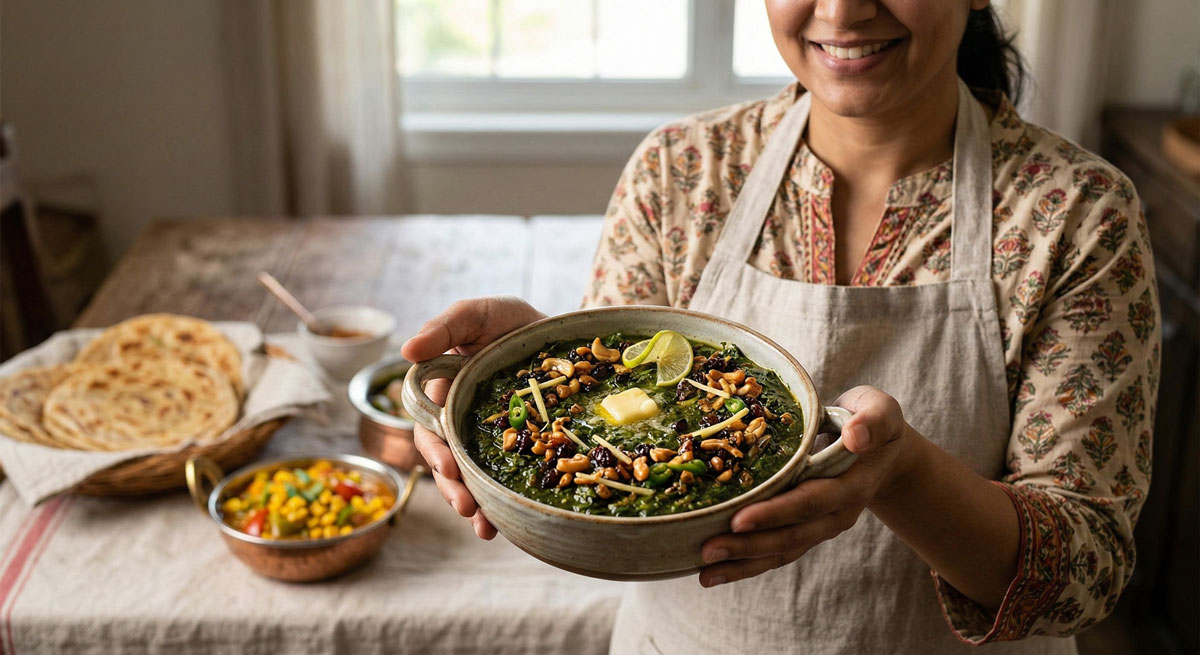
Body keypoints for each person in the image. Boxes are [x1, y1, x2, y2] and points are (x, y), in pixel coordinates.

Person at [402, 1, 1160, 652]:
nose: (842, 11)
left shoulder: (1078, 214)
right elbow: (617, 391)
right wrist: (529, 364)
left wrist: (901, 474)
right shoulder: (681, 170)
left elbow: (1083, 575)